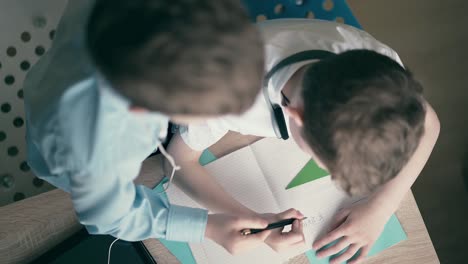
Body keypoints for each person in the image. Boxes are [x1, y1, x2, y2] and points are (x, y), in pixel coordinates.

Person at [23, 0, 291, 254]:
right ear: (145, 111)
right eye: (199, 114)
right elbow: (110, 215)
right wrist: (208, 228)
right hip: (64, 153)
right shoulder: (95, 153)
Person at [167, 19, 440, 263]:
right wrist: (249, 219)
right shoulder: (223, 95)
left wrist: (381, 207)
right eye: (321, 162)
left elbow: (430, 123)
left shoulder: (385, 73)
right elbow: (177, 161)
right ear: (294, 116)